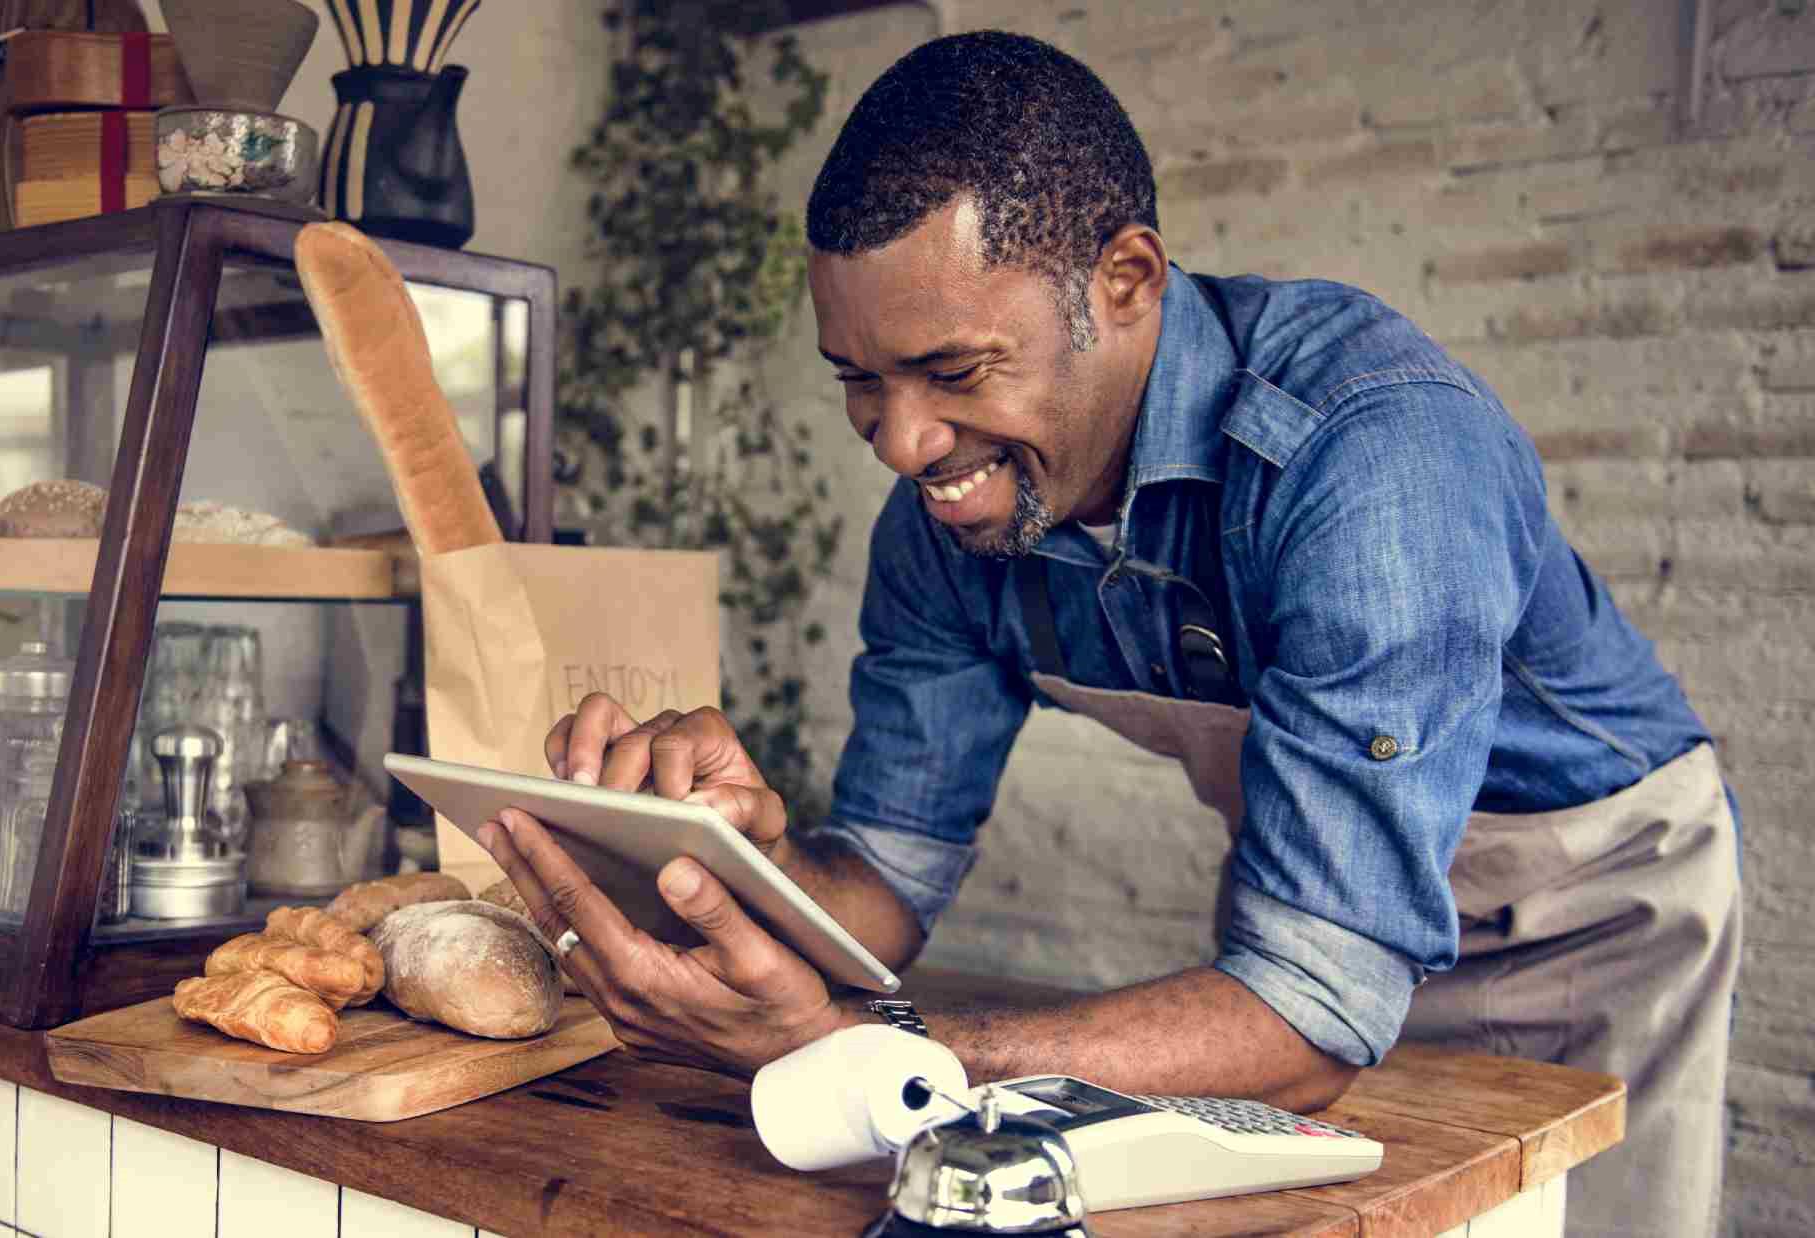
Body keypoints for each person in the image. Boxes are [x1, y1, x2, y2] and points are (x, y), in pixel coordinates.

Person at [472, 31, 1739, 1238]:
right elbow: (888, 885)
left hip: (1584, 907)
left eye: (954, 370)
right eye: (860, 377)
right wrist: (727, 864)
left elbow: (1307, 1009)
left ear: (1123, 282)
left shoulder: (1370, 455)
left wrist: (874, 1054)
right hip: (1309, 917)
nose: (905, 443)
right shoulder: (954, 513)